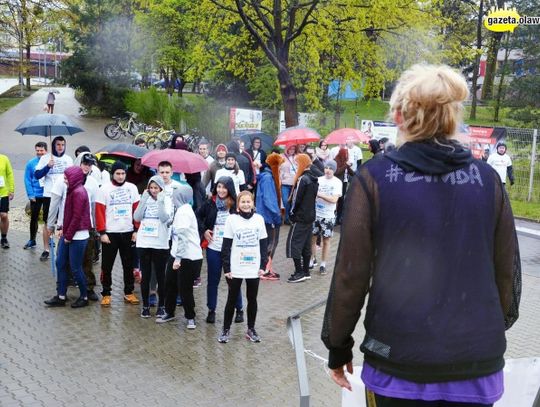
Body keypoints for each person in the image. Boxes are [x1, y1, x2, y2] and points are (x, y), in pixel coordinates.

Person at [321, 64, 521, 406]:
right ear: (452, 117)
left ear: (399, 117)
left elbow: (350, 275)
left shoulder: (374, 179)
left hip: (397, 365)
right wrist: (483, 332)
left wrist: (338, 346)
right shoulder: (488, 180)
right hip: (475, 366)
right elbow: (508, 272)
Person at [47, 152, 101, 302]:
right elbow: (55, 203)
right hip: (67, 230)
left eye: (90, 165)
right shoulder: (67, 182)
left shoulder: (85, 187)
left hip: (79, 231)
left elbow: (89, 209)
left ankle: (86, 293)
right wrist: (52, 224)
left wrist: (96, 228)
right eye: (85, 163)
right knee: (61, 262)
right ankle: (61, 293)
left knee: (84, 263)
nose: (87, 167)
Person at [218, 191, 268, 343]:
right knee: (231, 299)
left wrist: (262, 265)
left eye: (248, 202)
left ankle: (251, 329)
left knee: (252, 299)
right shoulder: (232, 220)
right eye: (243, 202)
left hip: (253, 267)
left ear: (253, 203)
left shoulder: (259, 219)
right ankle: (225, 330)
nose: (246, 204)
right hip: (236, 267)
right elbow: (225, 246)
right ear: (238, 205)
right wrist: (227, 268)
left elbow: (264, 245)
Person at [197, 176, 244, 324]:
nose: (221, 190)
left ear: (229, 188)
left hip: (231, 250)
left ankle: (239, 309)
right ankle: (211, 310)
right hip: (214, 248)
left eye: (224, 187)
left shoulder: (236, 206)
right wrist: (204, 230)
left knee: (232, 280)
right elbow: (197, 216)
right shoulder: (210, 203)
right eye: (218, 187)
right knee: (212, 280)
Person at [44, 166, 91, 308]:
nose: (64, 181)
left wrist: (68, 236)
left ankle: (84, 296)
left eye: (66, 178)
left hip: (78, 236)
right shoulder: (72, 190)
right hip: (69, 233)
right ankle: (61, 295)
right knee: (60, 263)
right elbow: (68, 215)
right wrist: (62, 228)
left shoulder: (78, 192)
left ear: (74, 178)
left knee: (76, 267)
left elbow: (77, 217)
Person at [157, 185, 203, 329]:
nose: (172, 199)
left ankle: (190, 317)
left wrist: (178, 259)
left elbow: (182, 237)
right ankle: (169, 312)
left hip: (187, 256)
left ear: (180, 197)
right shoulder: (181, 210)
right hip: (176, 253)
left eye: (174, 196)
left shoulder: (184, 212)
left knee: (184, 288)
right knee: (169, 283)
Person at [95, 161, 141, 307]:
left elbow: (137, 210)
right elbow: (99, 212)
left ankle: (129, 292)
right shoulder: (104, 189)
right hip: (110, 233)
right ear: (112, 174)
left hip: (127, 232)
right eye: (118, 174)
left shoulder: (132, 188)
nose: (121, 176)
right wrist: (102, 232)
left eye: (123, 174)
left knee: (128, 265)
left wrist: (136, 230)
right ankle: (106, 293)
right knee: (107, 265)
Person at [133, 176, 173, 319]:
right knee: (146, 276)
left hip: (160, 243)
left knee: (160, 275)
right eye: (151, 187)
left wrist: (161, 201)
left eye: (156, 188)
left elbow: (164, 218)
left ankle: (161, 306)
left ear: (161, 188)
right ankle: (145, 306)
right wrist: (143, 200)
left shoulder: (167, 199)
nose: (154, 190)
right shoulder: (145, 198)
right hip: (144, 242)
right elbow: (137, 218)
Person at [35, 136, 73, 261]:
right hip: (49, 194)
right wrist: (47, 167)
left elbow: (73, 176)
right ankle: (46, 249)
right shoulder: (46, 158)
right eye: (58, 144)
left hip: (65, 195)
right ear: (53, 145)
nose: (60, 147)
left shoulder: (68, 159)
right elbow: (37, 175)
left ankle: (63, 248)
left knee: (64, 221)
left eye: (62, 144)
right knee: (48, 223)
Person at [286, 153, 318, 283]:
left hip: (300, 217)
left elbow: (296, 199)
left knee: (294, 243)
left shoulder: (302, 179)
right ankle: (306, 271)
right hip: (310, 216)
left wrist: (292, 214)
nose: (296, 165)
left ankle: (299, 272)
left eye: (297, 163)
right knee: (306, 244)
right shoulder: (314, 178)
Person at [310, 160, 341, 275]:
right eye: (326, 167)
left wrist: (319, 194)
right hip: (316, 214)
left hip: (328, 216)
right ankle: (312, 259)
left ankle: (323, 264)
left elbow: (334, 199)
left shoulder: (337, 182)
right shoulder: (318, 180)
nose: (328, 170)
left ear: (334, 170)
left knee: (326, 241)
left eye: (331, 168)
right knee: (312, 238)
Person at [256, 153, 284, 281]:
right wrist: (276, 213)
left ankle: (267, 267)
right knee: (271, 242)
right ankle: (265, 269)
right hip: (269, 216)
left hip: (267, 215)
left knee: (270, 242)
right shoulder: (268, 178)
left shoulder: (268, 176)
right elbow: (268, 198)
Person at [23, 142, 48, 249]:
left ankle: (49, 240)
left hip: (48, 194)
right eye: (37, 150)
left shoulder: (51, 161)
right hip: (36, 195)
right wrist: (30, 194)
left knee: (48, 220)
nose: (39, 153)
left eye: (41, 150)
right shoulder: (31, 163)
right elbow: (27, 179)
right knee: (34, 218)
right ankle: (32, 239)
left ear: (46, 151)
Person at [333, 148, 354, 225]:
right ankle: (334, 218)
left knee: (342, 200)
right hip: (338, 183)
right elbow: (337, 172)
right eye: (346, 154)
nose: (347, 156)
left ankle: (339, 218)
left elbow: (350, 172)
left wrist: (357, 174)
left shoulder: (345, 161)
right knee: (337, 200)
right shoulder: (336, 160)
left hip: (344, 182)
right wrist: (346, 165)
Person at [279, 143, 297, 224]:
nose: (292, 150)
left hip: (294, 183)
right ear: (287, 148)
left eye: (293, 149)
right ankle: (286, 218)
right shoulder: (281, 156)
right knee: (286, 201)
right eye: (290, 148)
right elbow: (278, 168)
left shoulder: (296, 157)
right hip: (285, 182)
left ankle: (289, 218)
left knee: (292, 201)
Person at [0, 153, 14, 249]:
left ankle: (4, 238)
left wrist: (11, 189)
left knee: (4, 215)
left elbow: (10, 174)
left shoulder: (4, 158)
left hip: (3, 192)